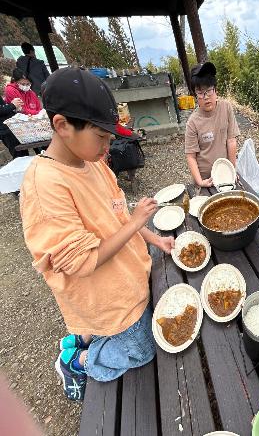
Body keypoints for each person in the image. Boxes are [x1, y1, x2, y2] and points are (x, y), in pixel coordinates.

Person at [20, 67, 175, 401]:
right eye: (101, 137)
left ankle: (84, 335)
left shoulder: (92, 163)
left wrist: (153, 238)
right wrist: (136, 224)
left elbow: (119, 214)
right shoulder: (45, 184)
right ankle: (79, 361)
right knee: (144, 346)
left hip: (127, 278)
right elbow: (83, 261)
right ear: (62, 126)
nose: (109, 145)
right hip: (108, 298)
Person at [185, 62, 239, 187]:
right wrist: (200, 182)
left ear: (216, 90)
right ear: (195, 95)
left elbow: (231, 141)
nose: (206, 97)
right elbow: (191, 156)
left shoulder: (226, 108)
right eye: (200, 92)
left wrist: (232, 170)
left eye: (209, 90)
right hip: (206, 178)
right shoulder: (192, 122)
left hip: (225, 174)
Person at [0, 94, 28, 158]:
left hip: (12, 127)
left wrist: (13, 107)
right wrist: (13, 105)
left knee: (24, 154)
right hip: (6, 130)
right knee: (19, 155)